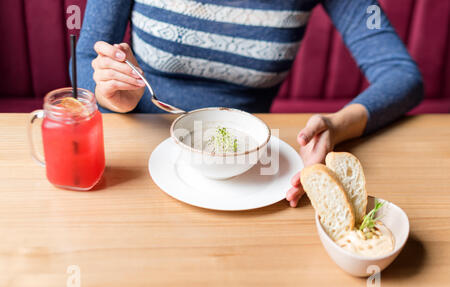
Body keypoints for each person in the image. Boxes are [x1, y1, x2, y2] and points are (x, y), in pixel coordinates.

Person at [75, 0, 423, 207]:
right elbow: (85, 55)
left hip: (250, 172)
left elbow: (401, 75)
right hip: (137, 159)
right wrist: (115, 98)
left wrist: (337, 126)